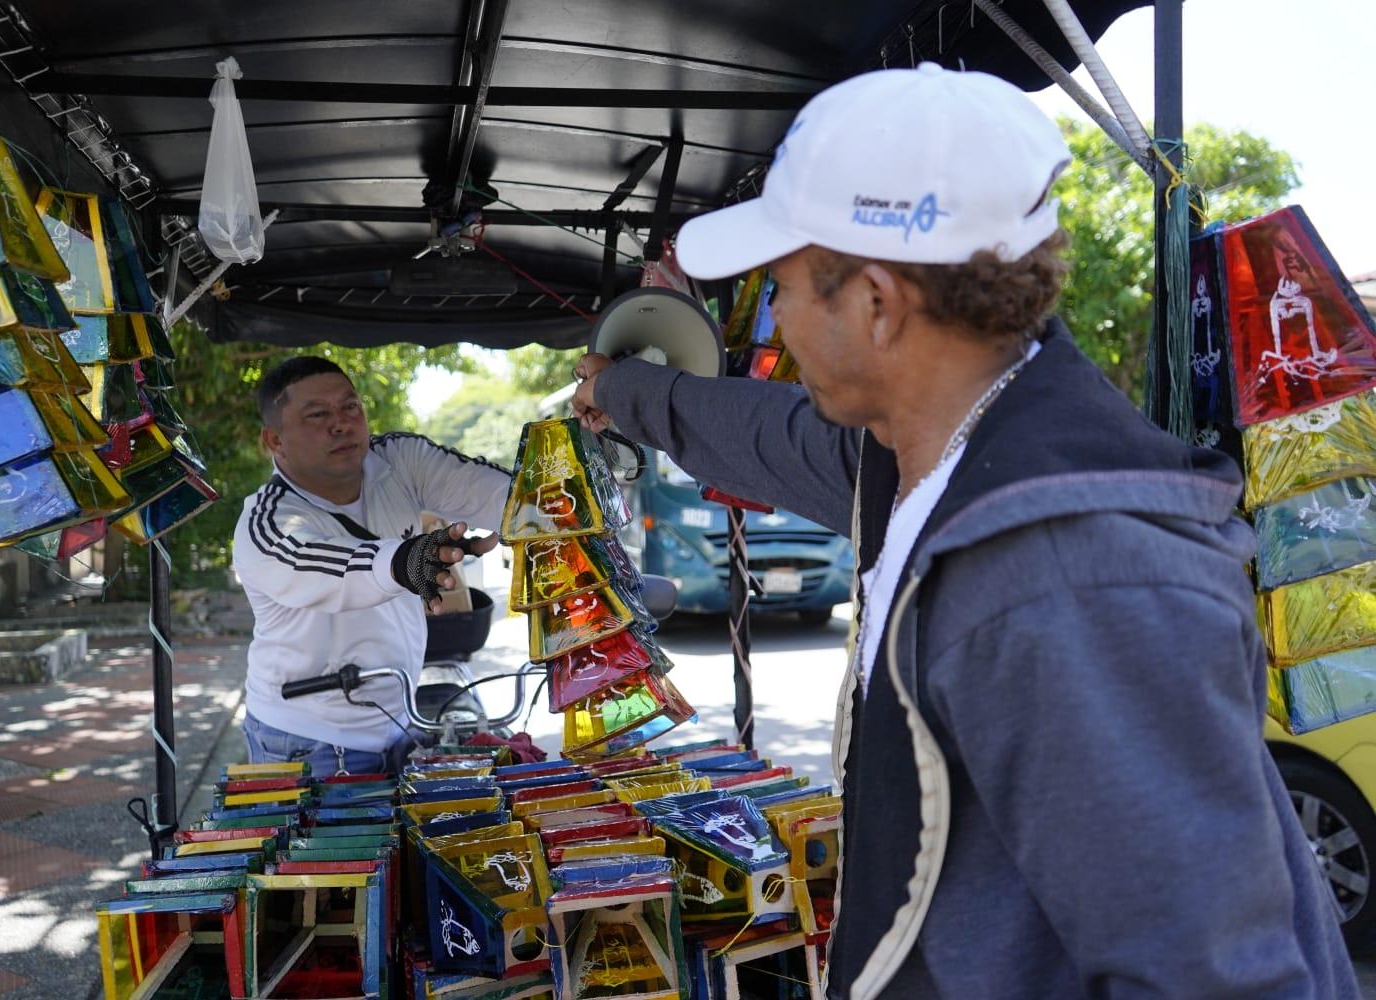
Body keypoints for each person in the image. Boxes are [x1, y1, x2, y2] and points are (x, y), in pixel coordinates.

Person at [574, 65, 1356, 998]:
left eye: (782, 283)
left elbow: (1208, 975)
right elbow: (763, 435)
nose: (775, 312)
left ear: (875, 301)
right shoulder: (917, 463)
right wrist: (623, 392)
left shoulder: (1074, 576)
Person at [232, 356, 506, 778]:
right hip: (306, 742)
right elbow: (332, 570)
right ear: (276, 440)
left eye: (350, 407)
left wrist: (551, 504)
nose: (340, 424)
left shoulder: (399, 460)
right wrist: (406, 560)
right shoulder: (266, 524)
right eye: (317, 415)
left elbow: (496, 492)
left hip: (399, 722)